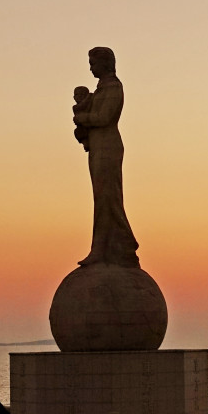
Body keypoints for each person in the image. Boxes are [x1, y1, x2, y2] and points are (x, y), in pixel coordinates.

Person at [72, 47, 140, 267]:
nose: (91, 68)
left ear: (105, 63)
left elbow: (104, 117)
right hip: (99, 146)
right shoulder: (100, 89)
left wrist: (84, 117)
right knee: (102, 199)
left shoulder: (113, 87)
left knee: (108, 198)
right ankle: (105, 247)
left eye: (93, 63)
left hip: (108, 146)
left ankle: (114, 247)